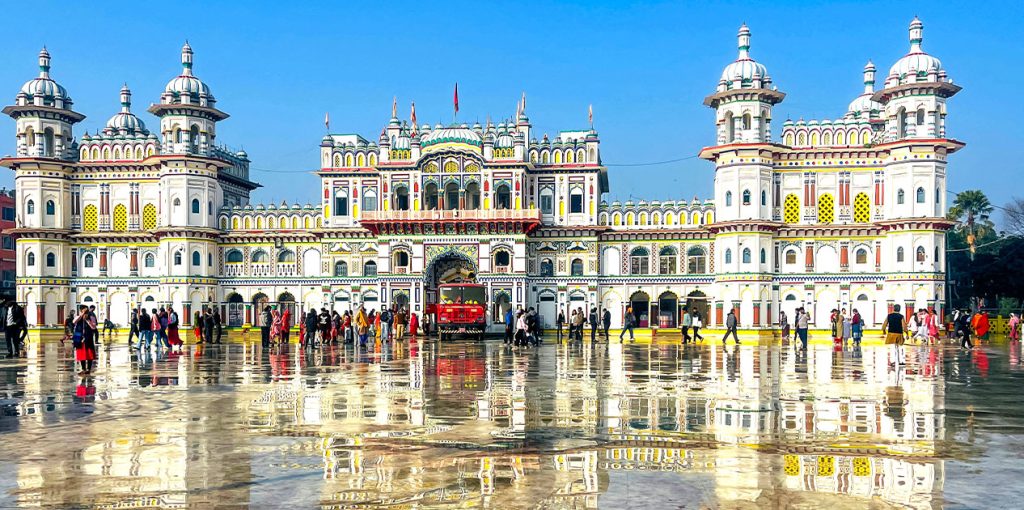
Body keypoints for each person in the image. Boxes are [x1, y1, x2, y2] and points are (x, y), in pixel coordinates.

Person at [72, 305, 97, 375]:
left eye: (86, 311)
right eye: (83, 311)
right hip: (79, 337)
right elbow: (74, 322)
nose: (85, 312)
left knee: (89, 353)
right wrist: (81, 315)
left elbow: (93, 327)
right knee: (81, 353)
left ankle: (88, 369)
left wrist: (87, 320)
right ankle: (83, 369)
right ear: (80, 311)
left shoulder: (91, 317)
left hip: (88, 337)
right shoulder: (78, 317)